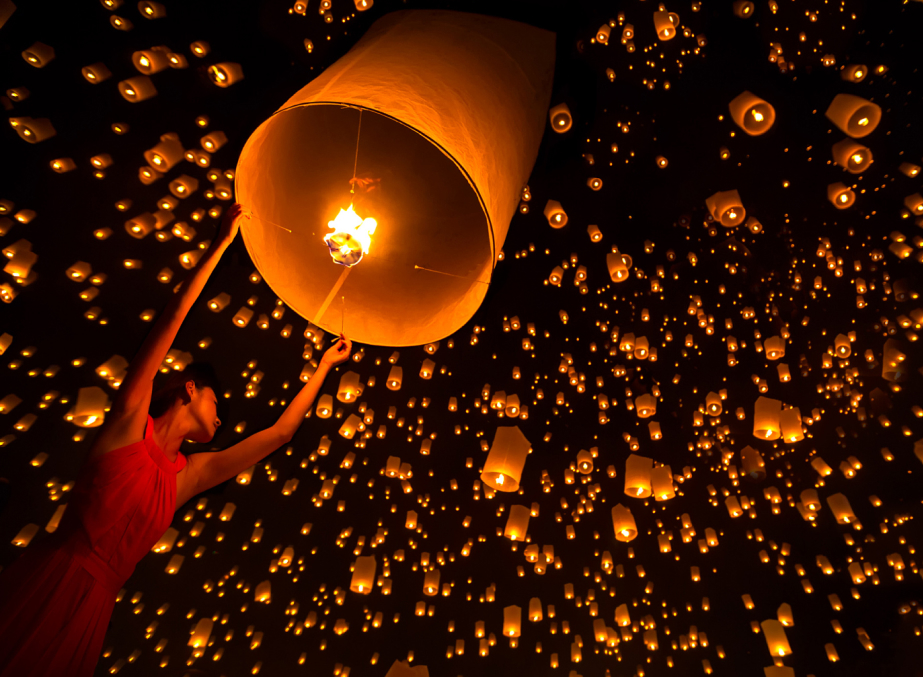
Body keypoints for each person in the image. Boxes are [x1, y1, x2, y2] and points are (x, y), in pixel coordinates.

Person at [0, 203, 353, 676]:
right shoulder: (129, 421)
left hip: (95, 611)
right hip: (51, 577)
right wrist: (218, 246)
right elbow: (172, 321)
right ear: (190, 389)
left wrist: (325, 368)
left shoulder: (190, 475)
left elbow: (281, 433)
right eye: (216, 404)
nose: (221, 419)